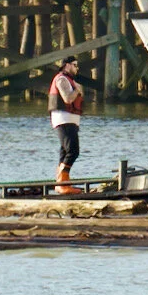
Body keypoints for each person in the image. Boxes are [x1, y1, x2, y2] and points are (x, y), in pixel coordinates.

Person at [48, 56, 84, 195]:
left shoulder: (70, 80)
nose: (77, 68)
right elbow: (67, 98)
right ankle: (62, 182)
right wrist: (77, 90)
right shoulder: (61, 79)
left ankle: (62, 183)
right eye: (75, 65)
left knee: (65, 152)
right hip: (63, 119)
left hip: (70, 120)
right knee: (73, 151)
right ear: (67, 65)